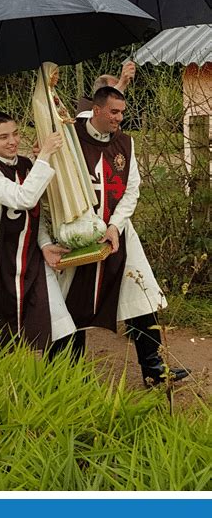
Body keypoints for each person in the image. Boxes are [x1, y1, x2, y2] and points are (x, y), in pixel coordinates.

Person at [60, 86, 189, 385]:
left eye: (122, 112)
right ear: (97, 110)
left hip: (119, 232)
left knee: (143, 298)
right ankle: (65, 377)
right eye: (114, 112)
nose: (120, 118)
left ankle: (155, 371)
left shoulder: (125, 144)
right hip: (78, 236)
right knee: (68, 304)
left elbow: (131, 190)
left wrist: (115, 225)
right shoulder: (69, 140)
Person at [0, 111, 76, 350]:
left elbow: (34, 215)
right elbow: (23, 199)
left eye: (16, 133)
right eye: (3, 137)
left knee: (58, 323)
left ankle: (54, 381)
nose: (12, 141)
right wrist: (45, 156)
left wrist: (45, 244)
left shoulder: (25, 165)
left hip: (29, 256)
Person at [32, 63, 99, 241]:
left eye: (58, 73)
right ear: (47, 75)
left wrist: (64, 120)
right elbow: (47, 121)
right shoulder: (40, 100)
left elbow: (60, 115)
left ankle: (82, 212)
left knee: (75, 175)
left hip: (67, 142)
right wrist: (60, 121)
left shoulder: (54, 95)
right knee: (64, 177)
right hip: (56, 148)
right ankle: (70, 216)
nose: (57, 77)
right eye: (55, 74)